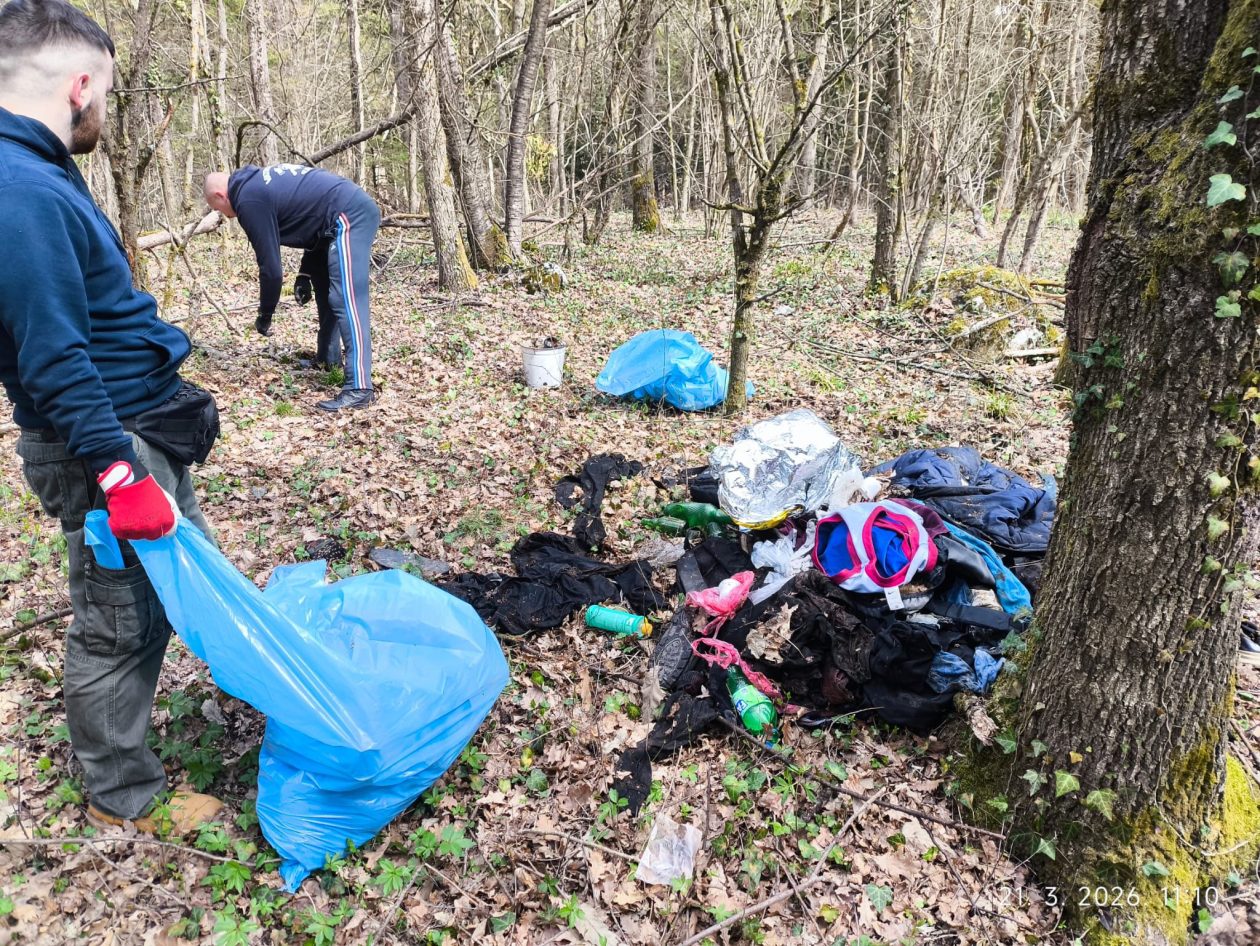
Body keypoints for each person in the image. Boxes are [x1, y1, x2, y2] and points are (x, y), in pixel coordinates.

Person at [0, 0, 222, 833]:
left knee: (155, 600)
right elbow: (51, 356)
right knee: (117, 621)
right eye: (106, 93)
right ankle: (121, 798)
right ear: (79, 85)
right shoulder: (18, 190)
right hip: (106, 446)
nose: (104, 111)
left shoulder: (37, 169)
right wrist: (120, 474)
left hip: (133, 429)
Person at [203, 164, 380, 412]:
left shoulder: (248, 199)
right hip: (331, 220)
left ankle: (360, 387)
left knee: (347, 298)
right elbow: (312, 215)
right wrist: (305, 272)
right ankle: (328, 360)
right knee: (323, 283)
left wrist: (265, 315)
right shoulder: (256, 186)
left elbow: (271, 271)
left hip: (350, 214)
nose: (223, 214)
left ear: (220, 196)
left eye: (216, 208)